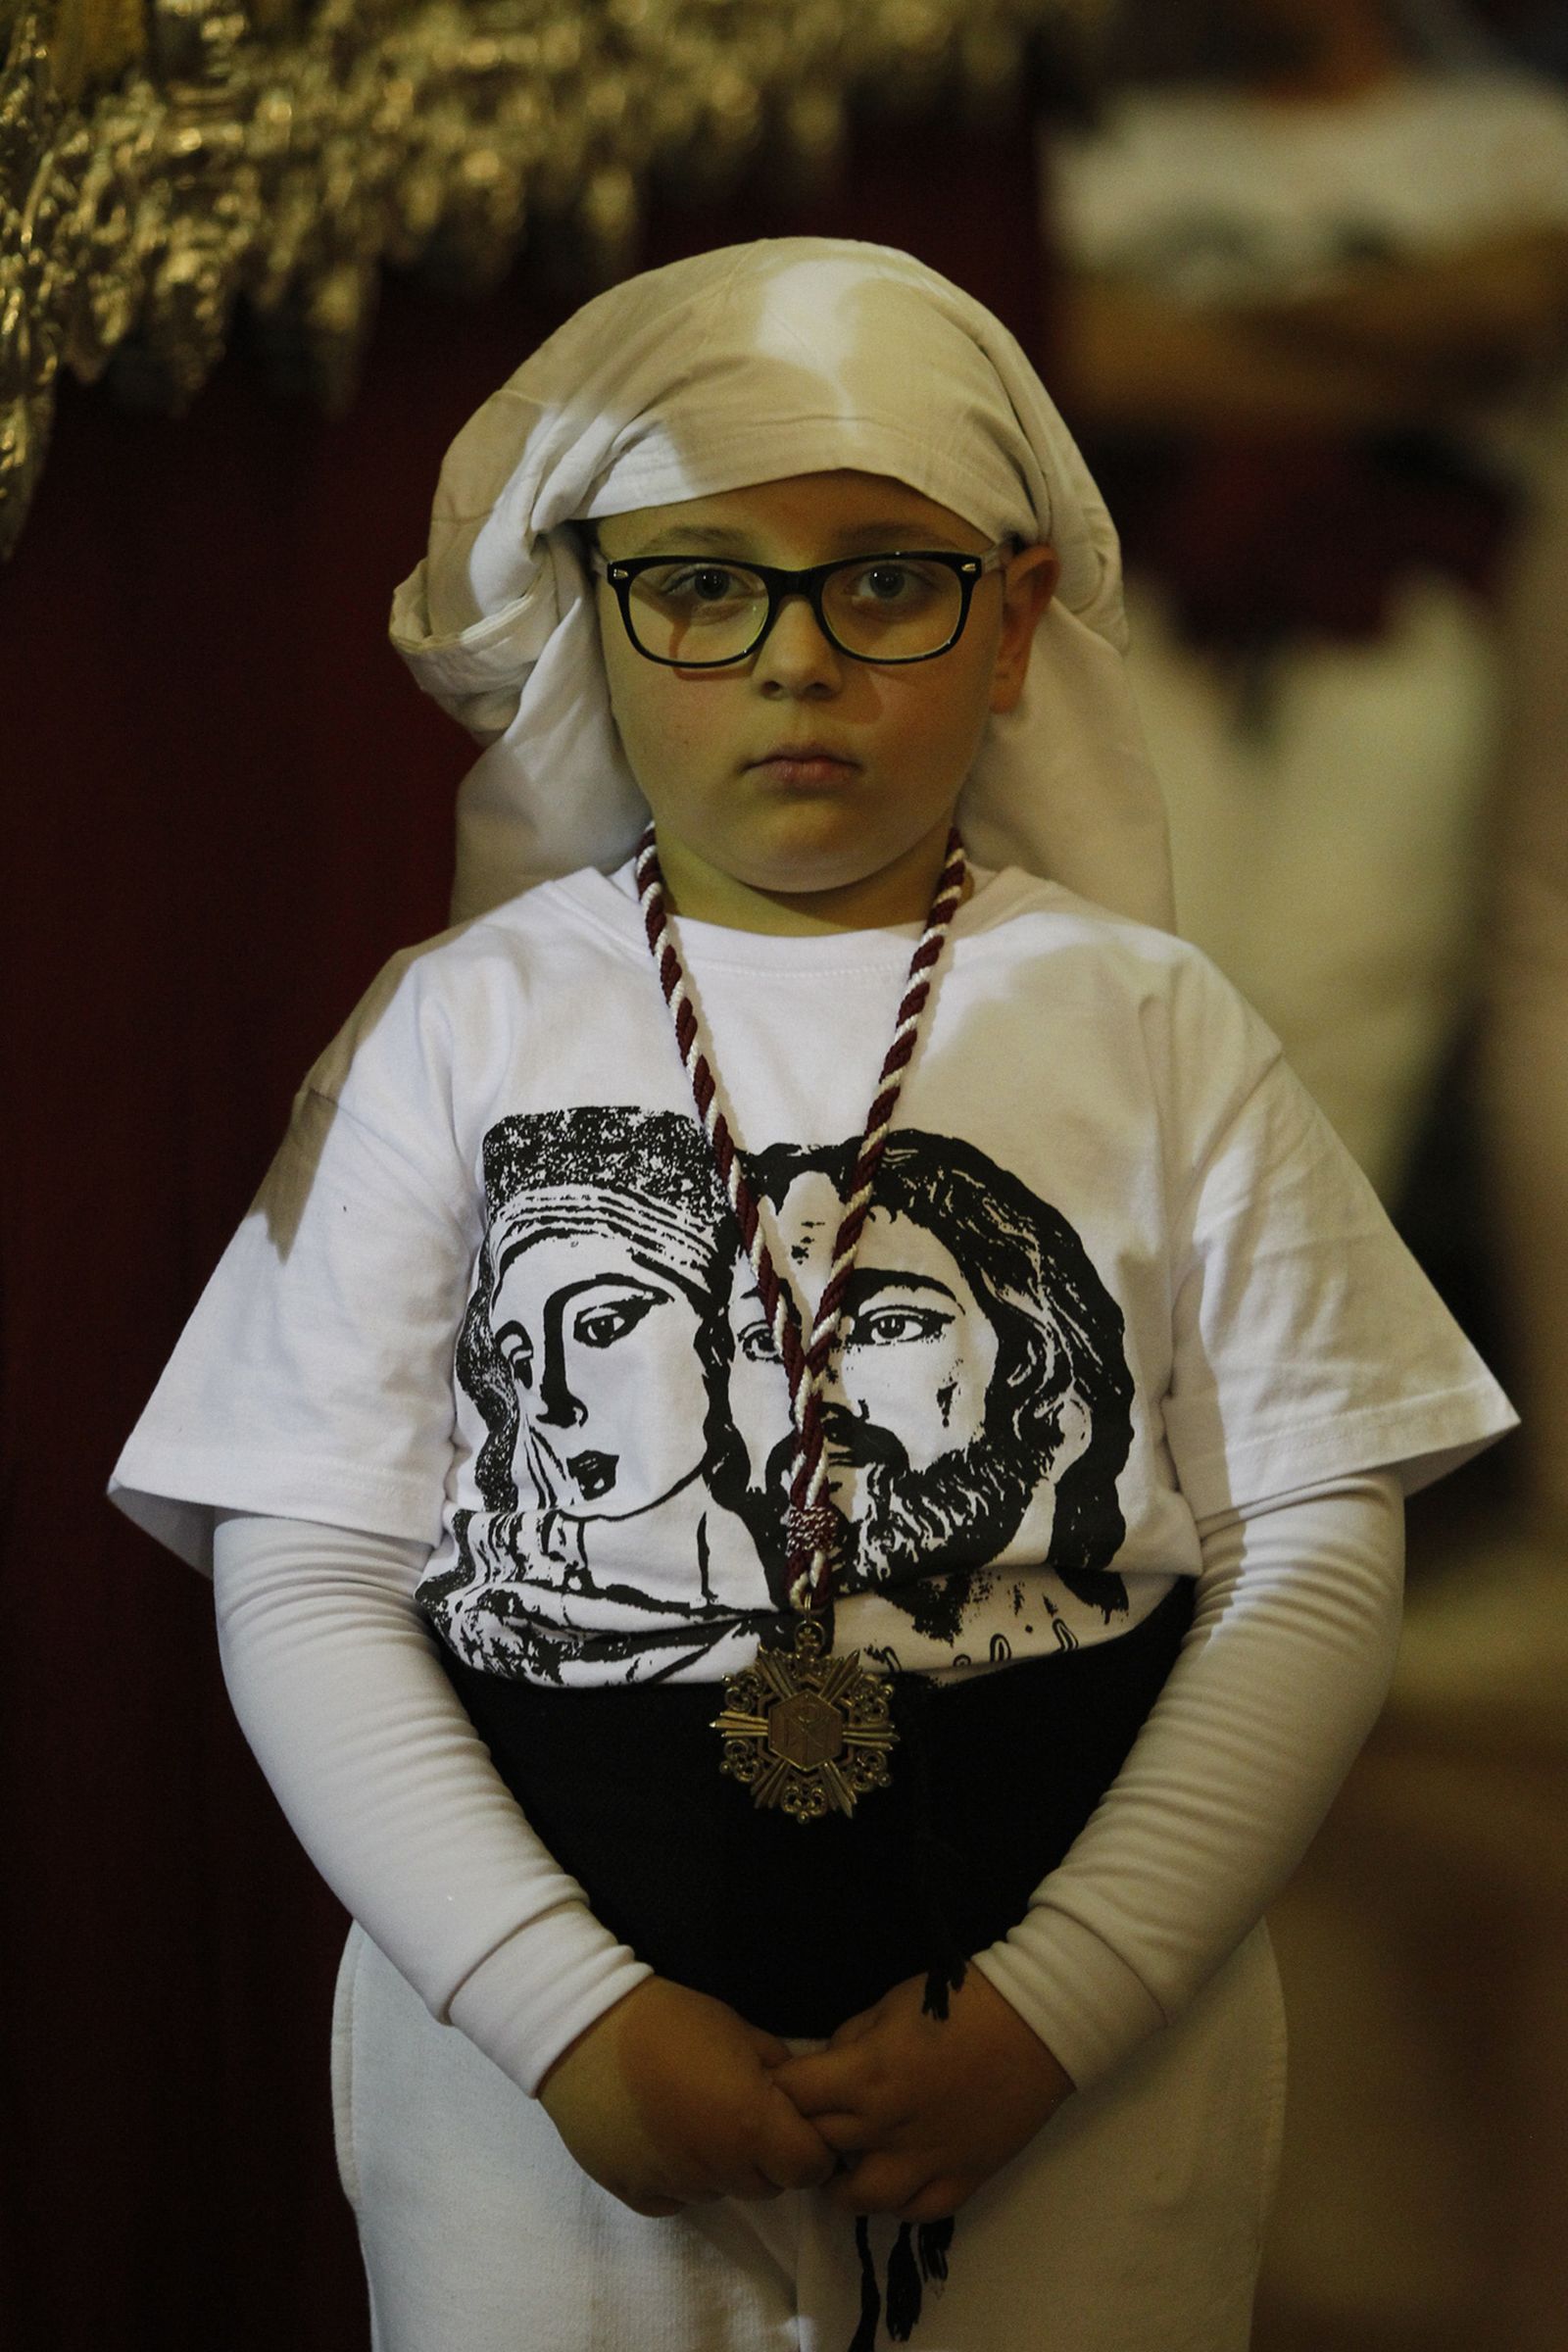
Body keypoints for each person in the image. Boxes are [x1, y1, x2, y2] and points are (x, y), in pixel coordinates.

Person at [109, 239, 1514, 2352]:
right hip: (546, 2105)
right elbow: (303, 1564)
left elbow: (1311, 1541)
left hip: (1075, 2075)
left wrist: (1065, 1998)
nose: (794, 663)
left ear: (1013, 615)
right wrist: (549, 2001)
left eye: (882, 580)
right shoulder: (449, 1038)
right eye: (700, 585)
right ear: (595, 613)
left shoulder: (1145, 1024)